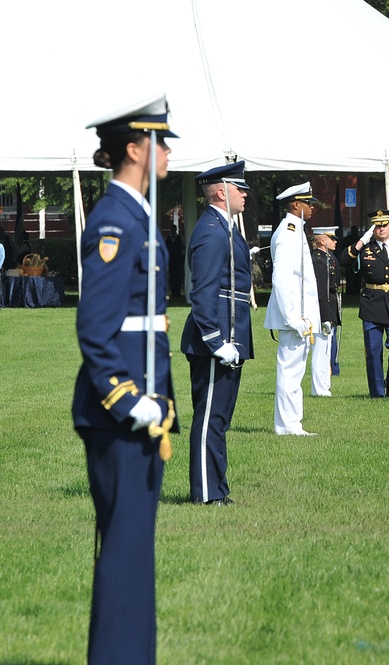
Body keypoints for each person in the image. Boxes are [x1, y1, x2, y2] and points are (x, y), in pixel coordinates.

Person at [73, 93, 178, 665]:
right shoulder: (115, 219)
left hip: (143, 405)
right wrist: (127, 398)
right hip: (122, 412)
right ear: (136, 148)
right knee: (123, 546)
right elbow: (95, 327)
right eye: (160, 142)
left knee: (133, 547)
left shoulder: (136, 213)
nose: (167, 154)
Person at [181, 160, 254, 504]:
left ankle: (216, 489)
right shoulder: (211, 231)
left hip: (230, 336)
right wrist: (215, 342)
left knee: (218, 419)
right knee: (210, 417)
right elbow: (203, 292)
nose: (245, 195)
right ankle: (207, 494)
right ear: (222, 192)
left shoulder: (223, 228)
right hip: (217, 339)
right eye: (240, 189)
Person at [263, 182, 321, 435]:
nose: (312, 208)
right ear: (296, 204)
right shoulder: (288, 232)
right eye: (308, 203)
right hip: (294, 316)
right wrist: (292, 317)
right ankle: (287, 425)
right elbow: (283, 278)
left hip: (301, 314)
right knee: (289, 370)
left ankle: (292, 423)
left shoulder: (295, 230)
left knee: (295, 371)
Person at [343, 209, 389, 397]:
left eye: (384, 225)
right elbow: (344, 260)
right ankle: (377, 392)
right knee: (373, 351)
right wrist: (361, 241)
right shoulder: (366, 249)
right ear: (373, 228)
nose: (381, 229)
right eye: (377, 226)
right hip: (372, 302)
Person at [310, 225, 342, 396]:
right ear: (323, 241)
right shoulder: (318, 261)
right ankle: (319, 388)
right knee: (320, 350)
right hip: (323, 310)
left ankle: (324, 385)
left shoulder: (328, 258)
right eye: (332, 238)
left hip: (329, 307)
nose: (335, 241)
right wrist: (325, 317)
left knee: (326, 349)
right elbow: (321, 292)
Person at [165, 224, 185, 298]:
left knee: (178, 277)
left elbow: (184, 248)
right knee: (171, 276)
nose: (172, 230)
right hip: (170, 261)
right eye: (171, 229)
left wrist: (180, 255)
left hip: (178, 261)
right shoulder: (166, 238)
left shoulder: (180, 238)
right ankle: (173, 292)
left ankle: (178, 292)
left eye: (174, 229)